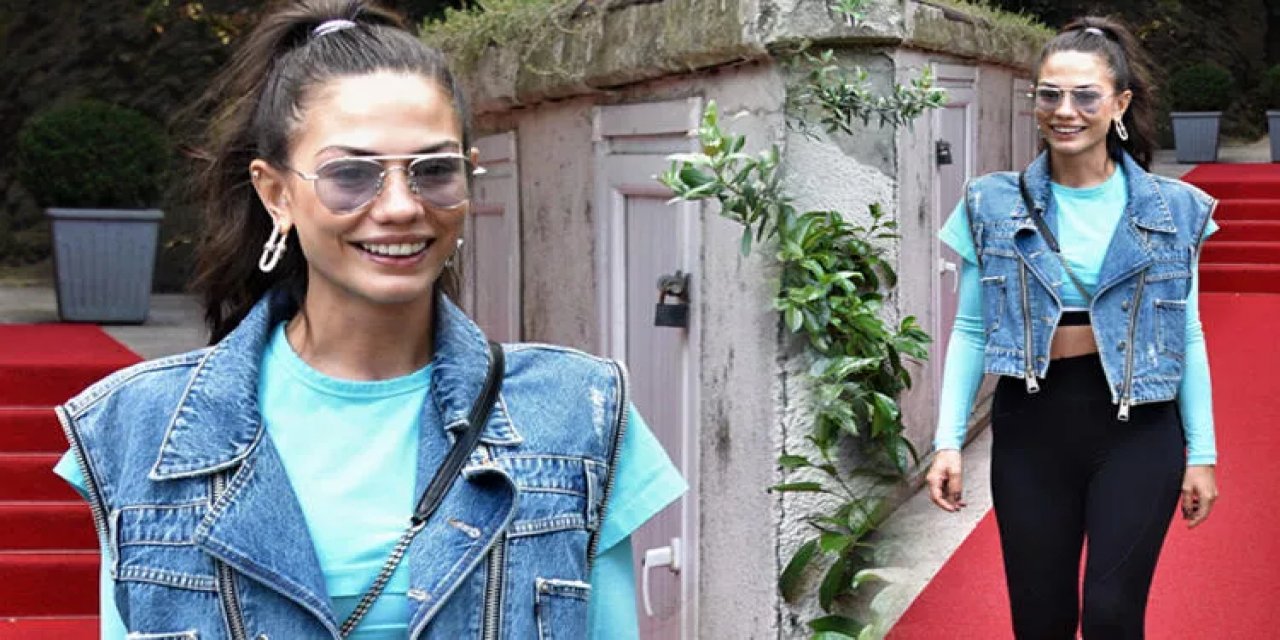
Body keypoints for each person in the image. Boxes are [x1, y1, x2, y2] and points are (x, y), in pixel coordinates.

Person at [51, 1, 685, 638]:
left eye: (435, 170)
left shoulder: (577, 412)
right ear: (276, 193)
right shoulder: (140, 428)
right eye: (351, 174)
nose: (401, 206)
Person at [923, 16, 1220, 640]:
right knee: (1041, 620)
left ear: (1120, 104)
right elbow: (971, 330)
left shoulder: (1174, 208)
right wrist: (947, 441)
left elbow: (1186, 333)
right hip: (1031, 425)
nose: (1065, 111)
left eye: (1085, 95)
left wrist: (1203, 454)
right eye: (1050, 94)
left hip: (1139, 428)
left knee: (1113, 614)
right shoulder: (990, 202)